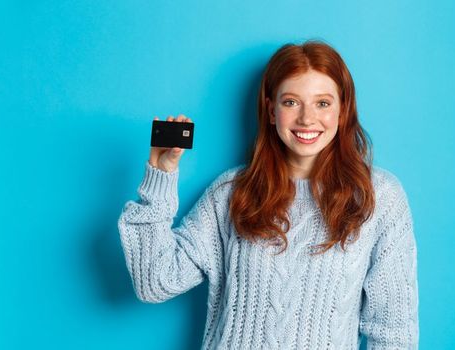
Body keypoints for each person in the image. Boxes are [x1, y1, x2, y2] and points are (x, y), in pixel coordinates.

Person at [117, 39, 418, 349]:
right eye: (291, 102)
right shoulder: (232, 191)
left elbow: (394, 331)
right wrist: (161, 175)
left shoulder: (379, 197)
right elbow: (154, 282)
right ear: (271, 110)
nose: (306, 118)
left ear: (342, 111)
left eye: (323, 103)